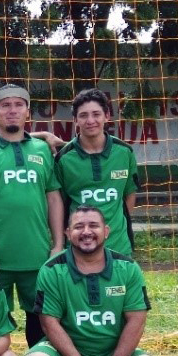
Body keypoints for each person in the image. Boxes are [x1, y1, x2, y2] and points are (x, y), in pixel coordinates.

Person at [17, 205, 169, 356]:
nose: (86, 231)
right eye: (79, 227)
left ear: (106, 231)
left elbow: (136, 320)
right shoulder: (52, 270)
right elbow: (49, 322)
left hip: (111, 351)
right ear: (68, 233)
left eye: (93, 226)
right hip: (65, 353)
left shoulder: (127, 268)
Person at [0, 84, 64, 350]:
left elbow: (53, 198)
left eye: (18, 105)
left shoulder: (42, 150)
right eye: (5, 105)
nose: (12, 110)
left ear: (27, 111)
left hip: (37, 254)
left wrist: (58, 245)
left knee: (41, 321)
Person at [53, 88, 140, 257]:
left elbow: (129, 194)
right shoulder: (63, 158)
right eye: (83, 115)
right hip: (79, 247)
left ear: (106, 116)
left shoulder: (124, 152)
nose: (90, 120)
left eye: (96, 114)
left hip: (118, 246)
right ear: (75, 120)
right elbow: (58, 203)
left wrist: (113, 225)